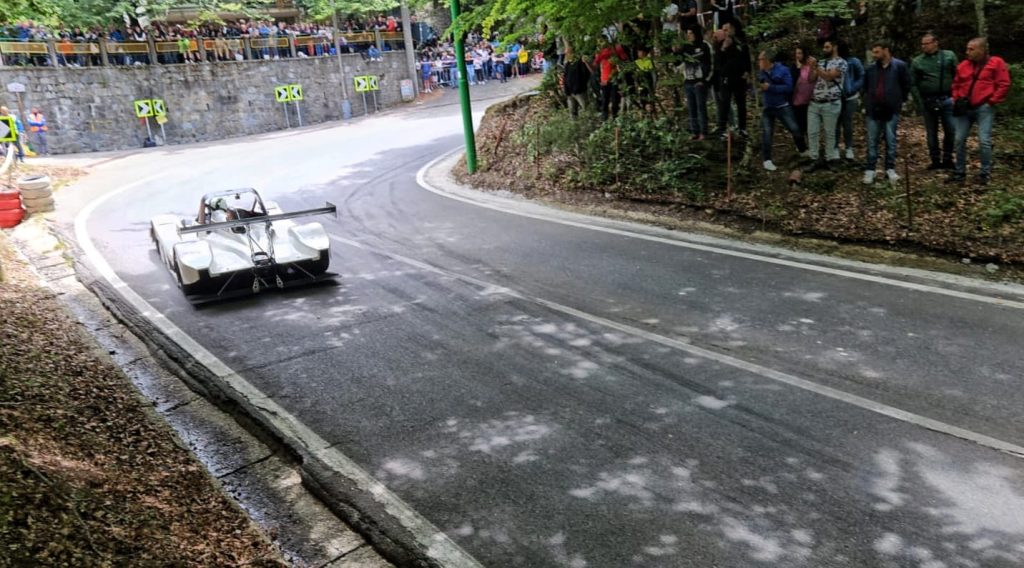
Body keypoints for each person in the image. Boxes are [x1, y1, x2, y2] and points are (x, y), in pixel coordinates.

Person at [948, 37, 1011, 186]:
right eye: (967, 48)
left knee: (984, 141)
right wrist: (956, 98)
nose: (967, 52)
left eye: (971, 49)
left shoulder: (996, 63)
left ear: (982, 50)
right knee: (959, 139)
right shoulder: (963, 65)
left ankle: (984, 173)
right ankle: (959, 172)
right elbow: (956, 83)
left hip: (984, 106)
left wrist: (992, 101)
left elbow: (1004, 83)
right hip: (964, 107)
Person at [861, 40, 911, 185]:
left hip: (892, 108)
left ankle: (890, 168)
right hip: (873, 109)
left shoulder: (899, 66)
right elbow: (865, 86)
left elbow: (906, 85)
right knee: (872, 141)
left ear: (886, 50)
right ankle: (870, 169)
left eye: (877, 52)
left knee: (891, 140)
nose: (875, 55)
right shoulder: (870, 69)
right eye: (873, 52)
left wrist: (899, 101)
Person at [911, 33, 958, 170]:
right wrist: (919, 102)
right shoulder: (918, 61)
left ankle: (948, 158)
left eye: (927, 43)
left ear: (935, 43)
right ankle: (935, 160)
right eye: (922, 44)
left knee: (950, 130)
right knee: (931, 133)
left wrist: (956, 96)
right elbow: (913, 83)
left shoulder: (949, 56)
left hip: (947, 98)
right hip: (928, 100)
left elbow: (958, 76)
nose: (924, 46)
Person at [757, 50, 808, 171]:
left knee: (794, 128)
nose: (759, 62)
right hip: (768, 106)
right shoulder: (761, 72)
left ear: (767, 60)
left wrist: (771, 87)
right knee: (767, 133)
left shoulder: (783, 70)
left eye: (761, 60)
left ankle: (803, 150)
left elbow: (789, 87)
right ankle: (767, 159)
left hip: (782, 105)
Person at [805, 39, 847, 172]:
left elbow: (829, 76)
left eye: (827, 47)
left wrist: (816, 66)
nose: (824, 49)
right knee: (812, 132)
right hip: (814, 103)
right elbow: (811, 79)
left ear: (834, 47)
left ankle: (830, 159)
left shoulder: (841, 62)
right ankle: (813, 158)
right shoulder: (821, 62)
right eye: (823, 47)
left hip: (831, 103)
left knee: (829, 132)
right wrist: (812, 67)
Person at [712, 22, 750, 138]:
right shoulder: (719, 44)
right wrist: (723, 48)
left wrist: (747, 71)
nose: (725, 32)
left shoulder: (740, 42)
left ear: (732, 30)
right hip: (726, 79)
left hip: (739, 79)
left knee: (741, 104)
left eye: (727, 30)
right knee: (725, 104)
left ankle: (742, 128)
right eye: (723, 30)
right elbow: (717, 62)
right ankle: (722, 128)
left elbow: (746, 58)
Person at [681, 26, 713, 140]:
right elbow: (679, 62)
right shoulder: (685, 47)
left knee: (701, 107)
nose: (688, 35)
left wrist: (705, 81)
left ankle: (704, 131)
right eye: (687, 33)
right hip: (688, 81)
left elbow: (711, 64)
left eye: (691, 33)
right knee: (691, 107)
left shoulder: (704, 45)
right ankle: (694, 131)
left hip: (700, 82)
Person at [835, 41, 864, 161]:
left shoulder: (854, 61)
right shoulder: (832, 62)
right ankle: (834, 148)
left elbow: (862, 76)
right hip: (835, 97)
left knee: (847, 123)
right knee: (835, 123)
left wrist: (853, 88)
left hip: (850, 97)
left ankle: (849, 148)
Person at [593, 37, 629, 120]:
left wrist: (617, 65)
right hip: (604, 80)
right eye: (598, 42)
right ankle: (604, 117)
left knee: (615, 99)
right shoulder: (599, 52)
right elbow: (595, 65)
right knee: (605, 100)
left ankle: (615, 116)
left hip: (615, 79)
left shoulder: (616, 48)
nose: (600, 44)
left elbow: (625, 61)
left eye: (601, 41)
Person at [790, 46, 815, 140]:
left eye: (800, 53)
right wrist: (798, 68)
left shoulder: (810, 66)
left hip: (810, 101)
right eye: (796, 53)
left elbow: (813, 79)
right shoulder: (793, 67)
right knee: (799, 126)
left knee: (810, 126)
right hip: (797, 101)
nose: (798, 55)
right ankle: (802, 148)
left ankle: (812, 147)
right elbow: (793, 82)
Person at [562, 46, 591, 118]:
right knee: (572, 111)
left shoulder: (580, 63)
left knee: (585, 108)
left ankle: (589, 122)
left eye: (568, 53)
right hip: (570, 91)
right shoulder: (567, 64)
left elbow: (585, 76)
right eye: (566, 54)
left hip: (579, 90)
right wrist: (566, 89)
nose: (566, 55)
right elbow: (565, 77)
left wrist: (579, 87)